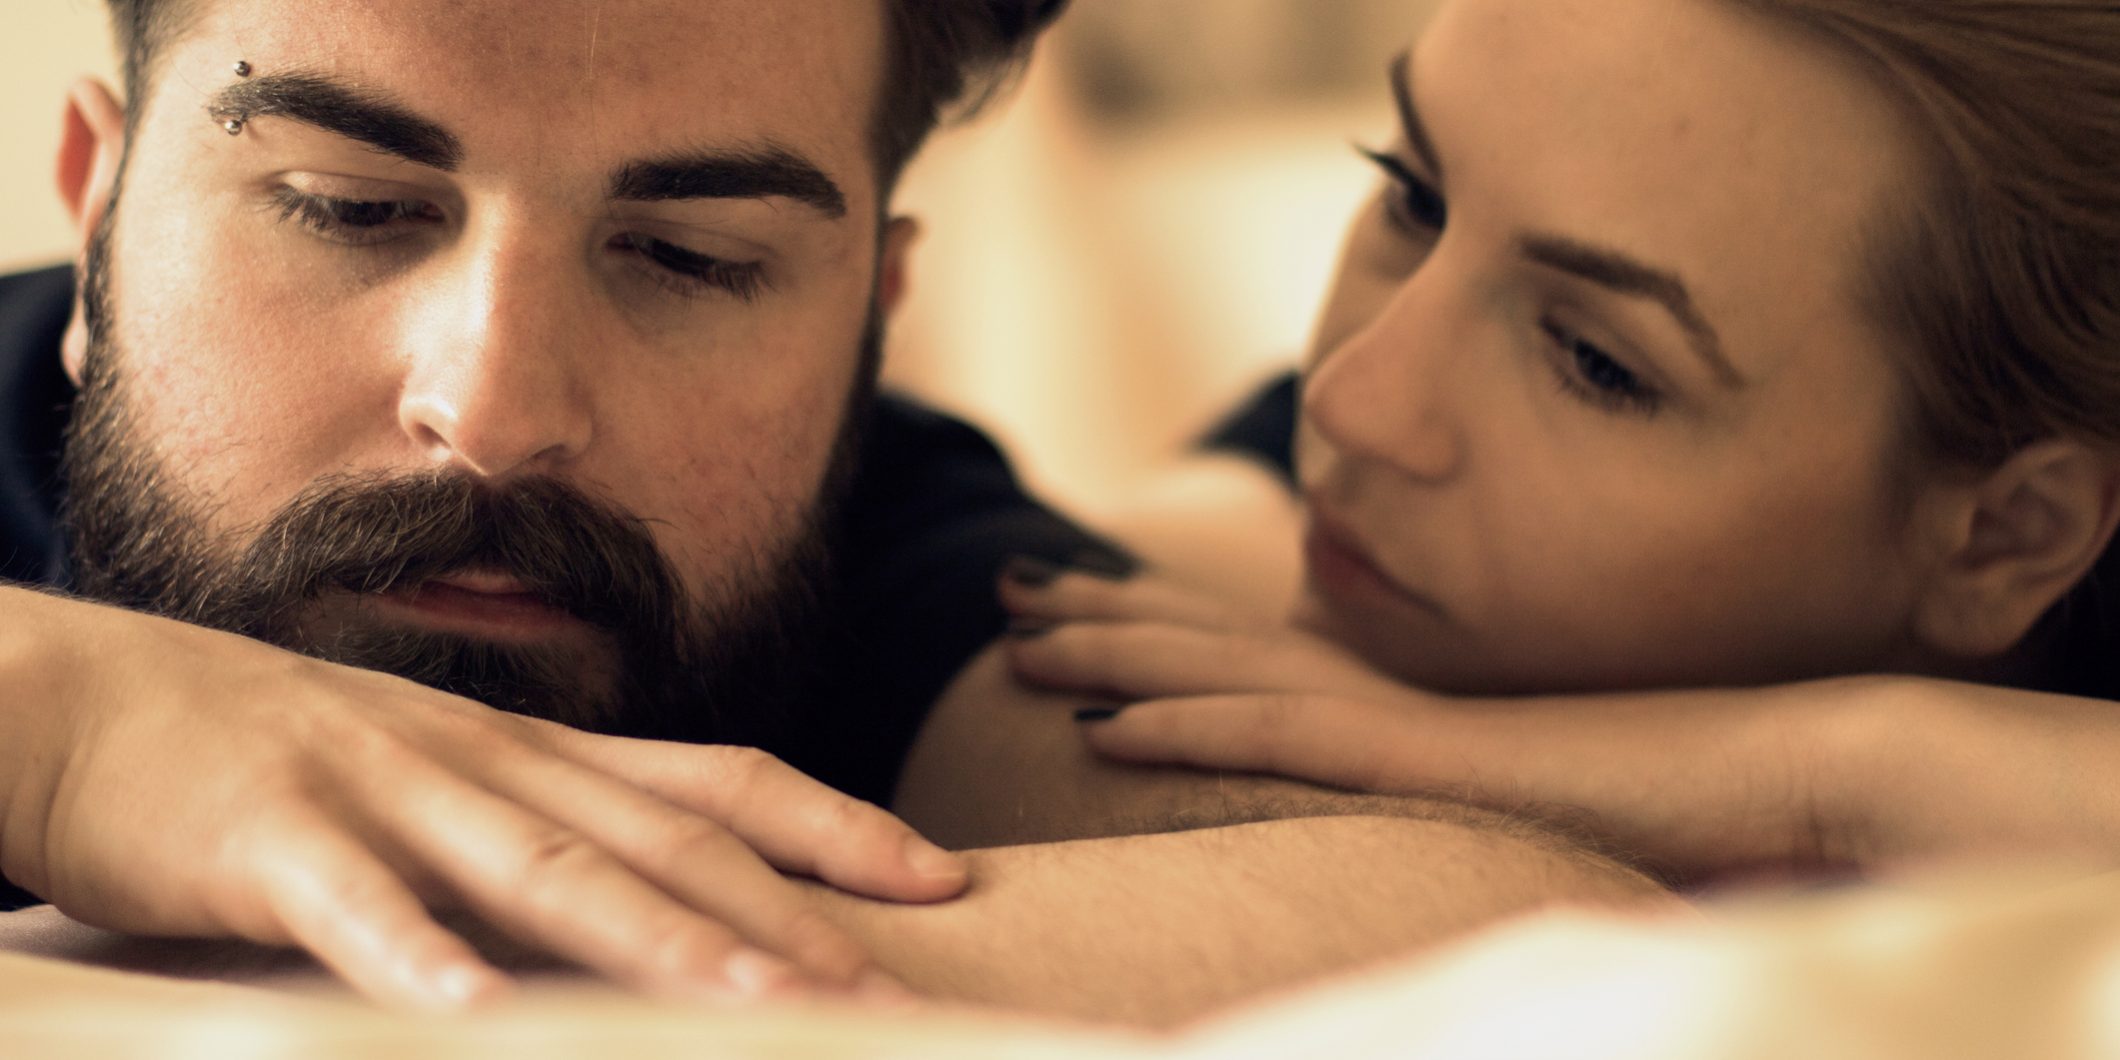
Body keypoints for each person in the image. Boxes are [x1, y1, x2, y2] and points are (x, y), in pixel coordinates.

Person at [0, 0, 1668, 1025]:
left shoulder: (883, 539)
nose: (495, 415)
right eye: (348, 209)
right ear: (97, 218)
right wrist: (56, 724)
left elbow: (1520, 926)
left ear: (870, 320)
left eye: (693, 258)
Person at [996, 0, 2120, 887]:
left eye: (1593, 363)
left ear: (2006, 535)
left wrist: (1820, 774)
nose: (1351, 401)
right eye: (1411, 196)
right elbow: (1098, 554)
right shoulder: (1386, 401)